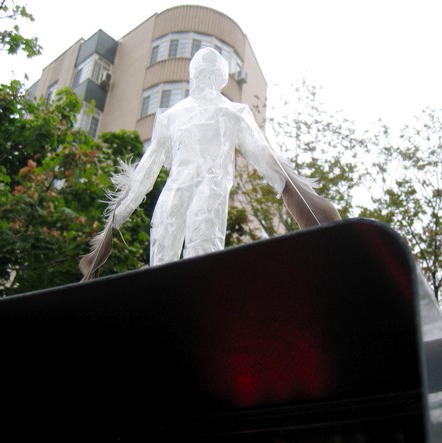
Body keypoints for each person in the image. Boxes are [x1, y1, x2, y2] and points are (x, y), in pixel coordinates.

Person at [80, 48, 339, 279]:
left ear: (194, 74)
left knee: (188, 264)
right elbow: (267, 160)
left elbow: (143, 176)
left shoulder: (226, 113)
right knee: (185, 267)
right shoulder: (184, 116)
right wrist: (118, 215)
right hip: (187, 196)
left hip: (199, 196)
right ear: (222, 77)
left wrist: (119, 216)